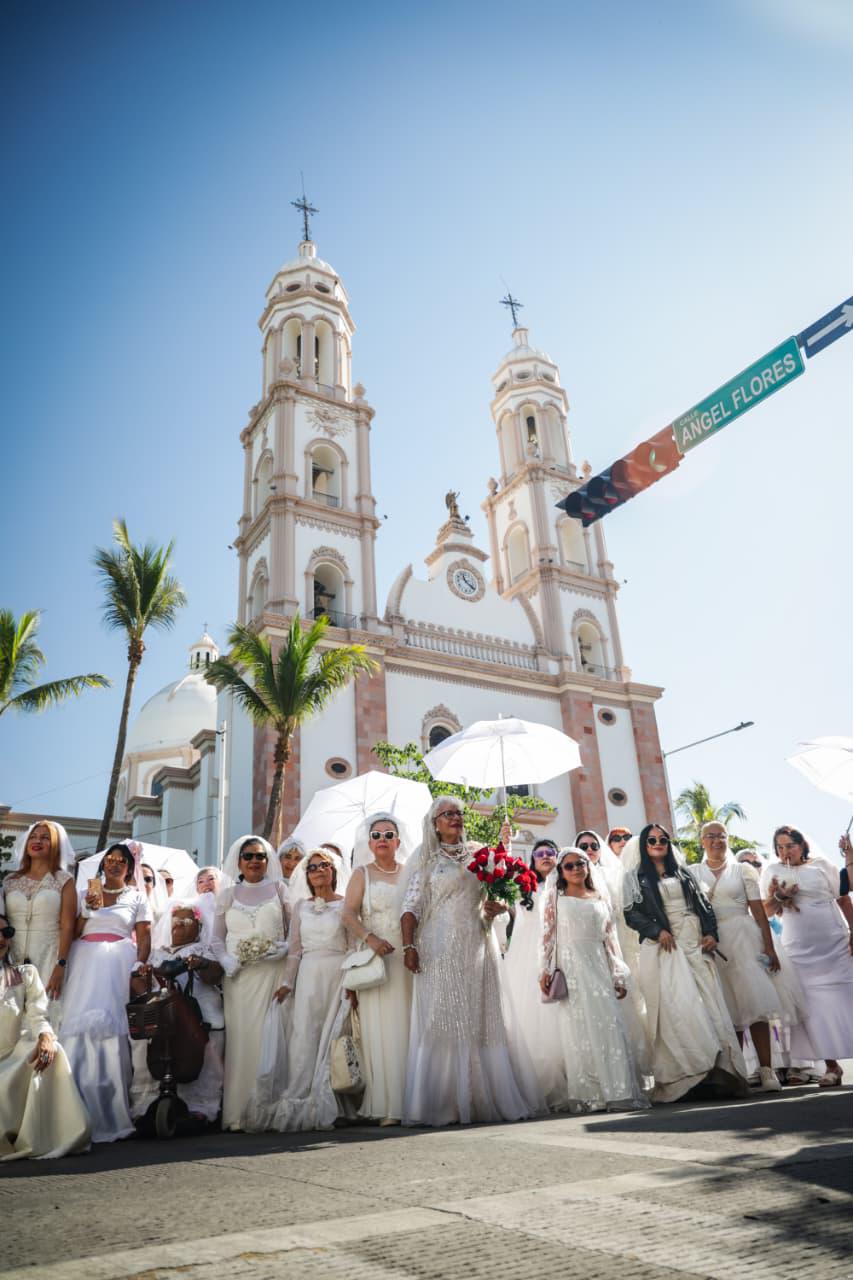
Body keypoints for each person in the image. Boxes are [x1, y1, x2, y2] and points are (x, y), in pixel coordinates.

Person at [400, 796, 543, 1126]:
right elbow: (411, 907)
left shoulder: (481, 853)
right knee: (444, 1014)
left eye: (458, 814)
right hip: (438, 946)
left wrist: (498, 906)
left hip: (478, 943)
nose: (455, 818)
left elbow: (499, 898)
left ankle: (484, 1096)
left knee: (483, 1014)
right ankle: (444, 1101)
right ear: (434, 823)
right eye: (447, 814)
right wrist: (409, 946)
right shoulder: (425, 860)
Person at [622, 824, 748, 1103]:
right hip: (665, 947)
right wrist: (658, 931)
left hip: (695, 944)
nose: (657, 843)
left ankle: (719, 1074)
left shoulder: (684, 872)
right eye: (652, 839)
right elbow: (631, 914)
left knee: (709, 1005)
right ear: (643, 844)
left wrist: (711, 934)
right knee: (677, 1008)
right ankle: (685, 1076)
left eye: (663, 839)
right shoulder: (635, 878)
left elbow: (704, 906)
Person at [693, 823, 802, 1093]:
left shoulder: (742, 870)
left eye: (721, 836)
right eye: (711, 836)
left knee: (754, 1003)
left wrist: (769, 947)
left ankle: (767, 1071)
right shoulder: (692, 872)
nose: (717, 840)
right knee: (727, 1007)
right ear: (701, 841)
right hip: (712, 941)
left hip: (743, 937)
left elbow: (757, 910)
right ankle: (737, 1070)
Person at [251, 848, 353, 1132]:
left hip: (337, 974)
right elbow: (295, 950)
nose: (319, 870)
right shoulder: (301, 908)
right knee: (305, 1036)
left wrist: (352, 983)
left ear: (333, 872)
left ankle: (334, 1101)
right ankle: (301, 1099)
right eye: (313, 867)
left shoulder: (346, 905)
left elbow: (352, 946)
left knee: (333, 1038)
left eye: (325, 865)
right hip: (308, 975)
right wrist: (286, 983)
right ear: (306, 875)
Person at [540, 849, 648, 1114]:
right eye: (569, 866)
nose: (576, 868)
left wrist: (617, 974)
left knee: (610, 1024)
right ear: (561, 872)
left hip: (599, 965)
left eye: (581, 863)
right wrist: (544, 968)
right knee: (579, 1029)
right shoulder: (556, 897)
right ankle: (590, 1094)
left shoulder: (601, 897)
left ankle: (619, 1090)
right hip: (570, 965)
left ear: (588, 867)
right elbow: (547, 935)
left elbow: (610, 941)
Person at [61, 841, 152, 1142]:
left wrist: (139, 963)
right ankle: (72, 1111)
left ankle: (111, 1110)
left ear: (129, 868)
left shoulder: (137, 897)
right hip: (85, 961)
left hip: (118, 962)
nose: (113, 864)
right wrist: (87, 909)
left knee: (113, 1031)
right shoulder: (87, 894)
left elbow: (144, 935)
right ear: (103, 865)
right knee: (78, 1028)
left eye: (120, 861)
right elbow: (72, 931)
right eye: (109, 860)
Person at [761, 825, 853, 1088]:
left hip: (833, 943)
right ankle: (832, 1066)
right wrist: (780, 896)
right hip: (798, 950)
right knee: (812, 1009)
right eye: (779, 847)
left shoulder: (822, 865)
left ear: (802, 845)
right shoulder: (773, 871)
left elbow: (843, 897)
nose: (785, 851)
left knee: (847, 997)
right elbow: (764, 911)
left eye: (790, 845)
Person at [0, 914, 90, 1160]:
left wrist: (46, 1036)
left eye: (6, 933)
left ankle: (49, 1134)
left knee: (53, 1049)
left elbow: (39, 1014)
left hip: (11, 1058)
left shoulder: (24, 975)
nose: (1, 938)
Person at [342, 814, 413, 1125]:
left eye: (388, 834)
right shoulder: (362, 874)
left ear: (398, 841)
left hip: (407, 958)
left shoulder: (410, 873)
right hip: (377, 958)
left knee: (410, 1026)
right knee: (381, 1030)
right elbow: (347, 913)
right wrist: (369, 939)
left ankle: (414, 1099)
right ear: (369, 843)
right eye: (377, 835)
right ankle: (387, 1104)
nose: (383, 839)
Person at [215, 835, 288, 1131]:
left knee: (269, 1038)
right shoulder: (228, 895)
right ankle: (237, 1111)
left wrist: (284, 948)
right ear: (239, 862)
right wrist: (226, 961)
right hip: (239, 978)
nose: (255, 861)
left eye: (260, 856)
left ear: (267, 862)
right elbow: (216, 939)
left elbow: (295, 927)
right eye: (249, 856)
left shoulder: (279, 889)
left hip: (272, 973)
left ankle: (268, 1108)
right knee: (242, 1040)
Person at [130, 898, 224, 1125]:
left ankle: (201, 1107)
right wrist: (143, 977)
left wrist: (200, 964)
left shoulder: (204, 949)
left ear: (198, 926)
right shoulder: (157, 954)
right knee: (144, 1041)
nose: (179, 924)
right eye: (175, 920)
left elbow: (215, 976)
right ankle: (147, 1106)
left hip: (198, 1010)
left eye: (186, 920)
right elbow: (138, 985)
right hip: (163, 1014)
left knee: (205, 1044)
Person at [502, 838, 563, 1106]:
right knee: (529, 1016)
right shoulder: (521, 888)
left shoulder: (566, 887)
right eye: (540, 853)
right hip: (525, 957)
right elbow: (501, 891)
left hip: (557, 954)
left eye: (551, 852)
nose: (546, 856)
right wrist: (504, 844)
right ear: (533, 859)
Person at [4, 820, 77, 1019]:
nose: (38, 841)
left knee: (45, 1020)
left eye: (45, 838)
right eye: (33, 837)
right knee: (10, 1021)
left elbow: (68, 925)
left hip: (49, 958)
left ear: (55, 845)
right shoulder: (10, 881)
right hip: (12, 960)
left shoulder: (64, 880)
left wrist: (60, 966)